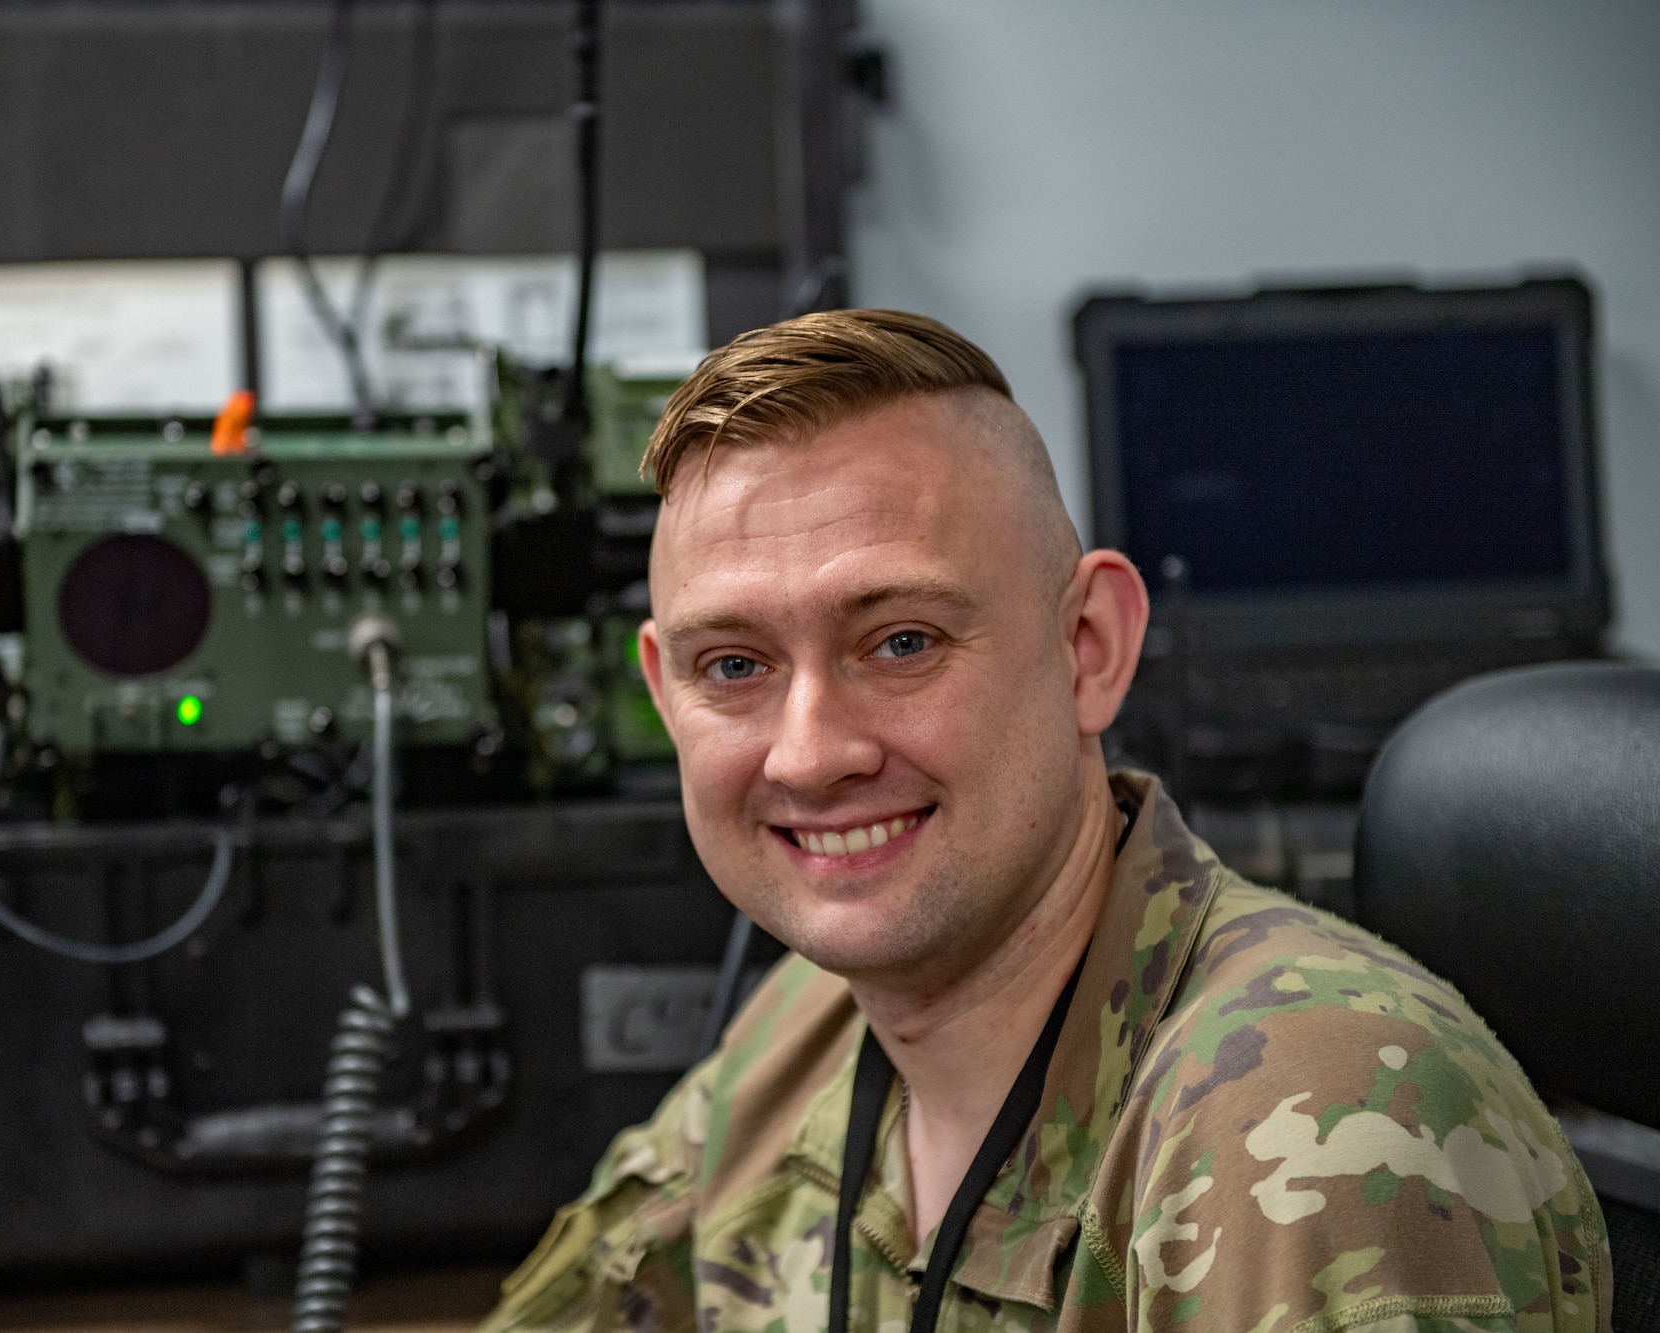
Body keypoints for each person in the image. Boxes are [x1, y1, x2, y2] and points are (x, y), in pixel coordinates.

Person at [480, 310, 1608, 1333]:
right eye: (732, 664)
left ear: (1088, 649)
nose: (810, 752)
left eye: (902, 641)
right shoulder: (807, 1025)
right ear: (662, 690)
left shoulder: (1312, 1116)